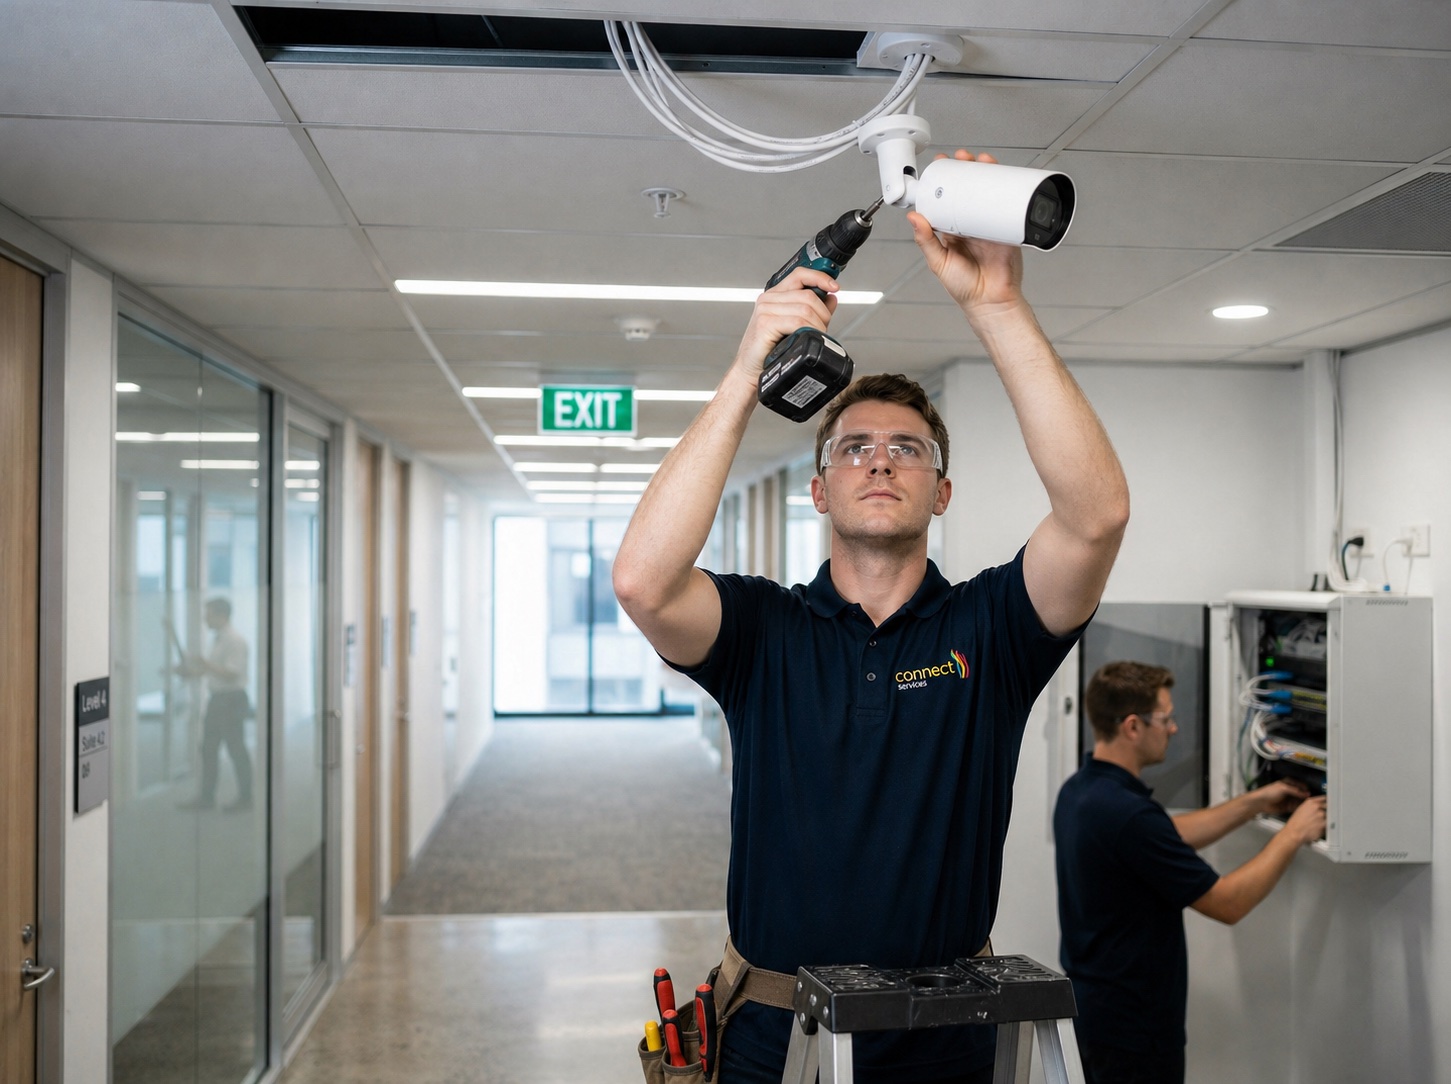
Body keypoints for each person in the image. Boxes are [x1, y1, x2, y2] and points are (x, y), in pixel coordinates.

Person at [612, 151, 1131, 1083]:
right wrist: (745, 370)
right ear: (818, 488)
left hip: (945, 1035)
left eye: (906, 449)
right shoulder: (760, 631)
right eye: (853, 448)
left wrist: (996, 306)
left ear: (939, 491)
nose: (879, 461)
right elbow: (644, 583)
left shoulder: (991, 632)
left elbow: (1095, 518)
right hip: (776, 1032)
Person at [1054, 661, 1328, 1084]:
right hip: (1134, 1032)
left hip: (1097, 1014)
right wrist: (1293, 835)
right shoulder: (1128, 815)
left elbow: (1163, 838)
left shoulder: (1083, 792)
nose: (1175, 728)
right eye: (1165, 719)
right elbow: (1229, 903)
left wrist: (1252, 803)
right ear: (1132, 726)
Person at [176, 597, 254, 812]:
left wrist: (205, 663)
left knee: (235, 748)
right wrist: (191, 672)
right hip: (218, 700)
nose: (205, 619)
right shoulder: (218, 640)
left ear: (222, 616)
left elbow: (232, 673)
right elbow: (214, 671)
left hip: (232, 699)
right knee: (208, 749)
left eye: (208, 614)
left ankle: (246, 798)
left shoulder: (235, 641)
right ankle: (206, 798)